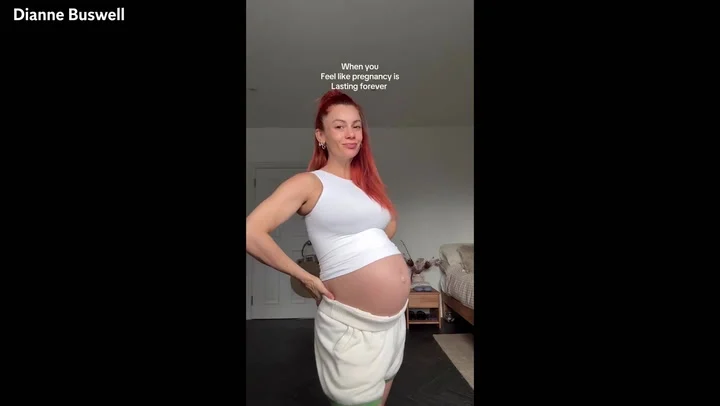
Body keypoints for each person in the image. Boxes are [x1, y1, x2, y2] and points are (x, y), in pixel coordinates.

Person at [246, 90, 410, 406]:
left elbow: (386, 229)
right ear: (320, 135)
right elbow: (251, 232)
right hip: (352, 325)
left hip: (393, 324)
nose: (351, 134)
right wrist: (305, 277)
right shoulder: (309, 183)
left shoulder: (368, 187)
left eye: (356, 126)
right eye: (339, 126)